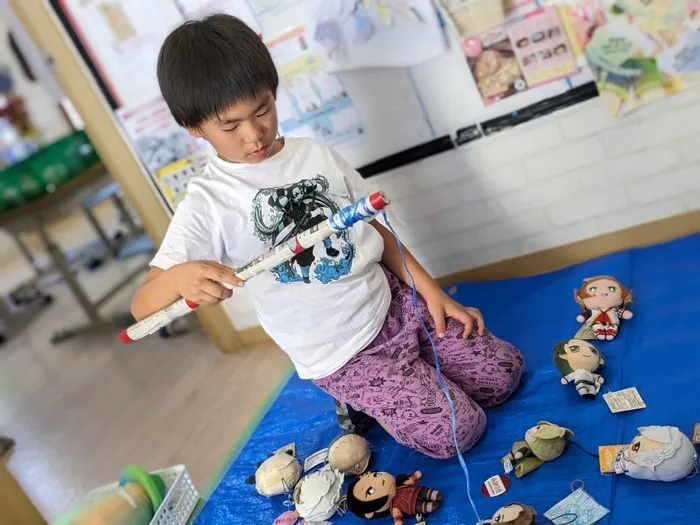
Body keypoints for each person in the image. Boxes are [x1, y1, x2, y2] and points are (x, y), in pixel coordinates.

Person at [132, 14, 524, 459]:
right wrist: (177, 278)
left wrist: (430, 291)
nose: (254, 133)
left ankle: (414, 377)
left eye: (263, 109)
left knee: (504, 373)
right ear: (194, 127)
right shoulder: (207, 203)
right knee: (458, 430)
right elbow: (143, 305)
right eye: (230, 125)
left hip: (394, 303)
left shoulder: (315, 154)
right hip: (344, 353)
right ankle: (363, 399)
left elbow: (371, 226)